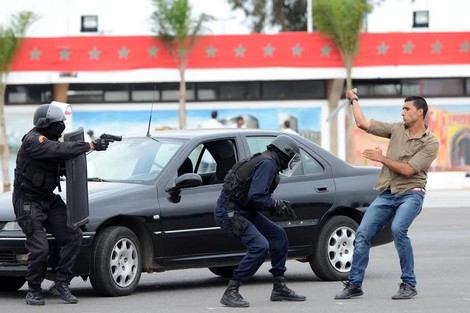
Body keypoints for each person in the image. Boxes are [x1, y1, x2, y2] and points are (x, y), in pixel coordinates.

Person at [334, 90, 439, 300]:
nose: (402, 113)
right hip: (388, 193)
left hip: (412, 194)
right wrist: (353, 100)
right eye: (402, 108)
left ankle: (409, 284)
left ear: (419, 112)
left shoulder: (431, 142)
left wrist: (381, 158)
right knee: (362, 234)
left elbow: (409, 170)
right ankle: (355, 284)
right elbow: (363, 123)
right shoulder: (396, 129)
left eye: (406, 109)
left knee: (399, 230)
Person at [12, 103, 109, 305]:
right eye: (58, 123)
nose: (62, 126)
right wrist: (91, 145)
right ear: (46, 124)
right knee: (40, 248)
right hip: (28, 202)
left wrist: (95, 148)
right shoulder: (34, 141)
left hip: (48, 198)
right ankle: (33, 290)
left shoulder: (51, 141)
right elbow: (58, 149)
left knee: (73, 236)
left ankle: (61, 283)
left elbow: (64, 155)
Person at [214, 135, 306, 307]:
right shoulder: (267, 163)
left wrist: (275, 207)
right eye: (291, 160)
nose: (290, 164)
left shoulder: (265, 160)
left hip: (243, 210)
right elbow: (256, 196)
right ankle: (231, 291)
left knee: (279, 236)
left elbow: (254, 197)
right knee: (260, 246)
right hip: (231, 213)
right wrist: (275, 204)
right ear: (284, 154)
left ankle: (279, 287)